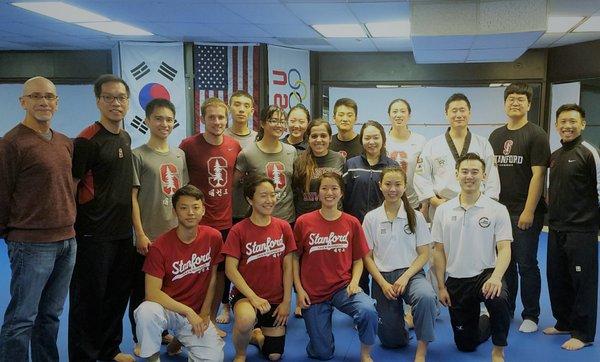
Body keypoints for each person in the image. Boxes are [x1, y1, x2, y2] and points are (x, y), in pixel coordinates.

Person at [0, 76, 77, 362]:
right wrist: (12, 235)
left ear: (57, 103)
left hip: (67, 241)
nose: (43, 102)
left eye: (49, 97)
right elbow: (2, 192)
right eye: (35, 96)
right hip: (31, 244)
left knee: (50, 316)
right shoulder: (11, 143)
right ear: (23, 102)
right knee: (22, 318)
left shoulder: (64, 142)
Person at [69, 74, 136, 362]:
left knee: (116, 297)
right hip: (93, 235)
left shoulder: (125, 135)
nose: (115, 103)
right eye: (108, 97)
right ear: (98, 101)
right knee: (88, 301)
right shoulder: (86, 140)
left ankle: (109, 349)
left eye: (120, 97)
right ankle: (84, 355)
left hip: (122, 233)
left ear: (127, 102)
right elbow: (71, 186)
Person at [432, 153, 512, 362]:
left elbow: (504, 249)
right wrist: (441, 286)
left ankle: (498, 350)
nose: (470, 176)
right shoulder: (443, 210)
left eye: (475, 172)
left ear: (484, 175)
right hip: (457, 279)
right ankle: (484, 319)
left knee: (500, 297)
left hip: (485, 274)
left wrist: (496, 277)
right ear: (456, 174)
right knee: (466, 345)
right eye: (465, 172)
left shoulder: (497, 209)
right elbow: (438, 251)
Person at [134, 184, 224, 362]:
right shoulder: (160, 246)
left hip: (195, 313)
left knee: (213, 359)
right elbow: (151, 293)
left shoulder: (214, 237)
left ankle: (179, 340)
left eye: (195, 207)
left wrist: (205, 313)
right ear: (175, 211)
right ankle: (153, 358)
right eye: (183, 208)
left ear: (203, 210)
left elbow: (214, 278)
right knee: (146, 312)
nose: (190, 212)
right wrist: (188, 311)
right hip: (167, 309)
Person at [293, 172, 377, 362]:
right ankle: (316, 334)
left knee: (368, 310)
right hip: (313, 292)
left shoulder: (352, 222)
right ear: (318, 193)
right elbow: (294, 259)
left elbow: (358, 260)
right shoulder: (303, 222)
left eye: (334, 188)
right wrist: (299, 290)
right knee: (322, 353)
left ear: (341, 193)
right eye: (324, 188)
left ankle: (365, 354)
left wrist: (355, 282)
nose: (329, 192)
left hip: (342, 287)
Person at [130, 98, 189, 356]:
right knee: (142, 289)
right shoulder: (138, 155)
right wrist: (140, 233)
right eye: (158, 118)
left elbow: (184, 195)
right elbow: (132, 197)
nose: (164, 124)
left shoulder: (179, 155)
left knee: (169, 286)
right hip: (150, 236)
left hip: (174, 234)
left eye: (168, 119)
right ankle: (141, 336)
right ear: (147, 121)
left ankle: (164, 331)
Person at [488, 83, 550, 333]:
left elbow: (539, 175)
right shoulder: (496, 136)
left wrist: (529, 211)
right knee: (505, 262)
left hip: (524, 212)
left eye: (520, 99)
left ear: (529, 105)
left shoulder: (536, 134)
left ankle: (531, 314)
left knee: (526, 263)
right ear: (505, 104)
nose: (515, 103)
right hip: (499, 211)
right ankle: (508, 308)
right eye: (511, 99)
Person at [180, 97, 241, 337]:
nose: (217, 121)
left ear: (226, 119)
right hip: (196, 222)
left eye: (220, 117)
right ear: (202, 118)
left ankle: (212, 319)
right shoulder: (188, 145)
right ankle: (187, 320)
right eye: (211, 117)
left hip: (225, 222)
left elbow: (233, 179)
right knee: (195, 274)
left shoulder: (234, 146)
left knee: (220, 273)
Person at [362, 166, 437, 362]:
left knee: (427, 297)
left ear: (405, 187)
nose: (392, 189)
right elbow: (367, 257)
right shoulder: (371, 218)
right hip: (383, 278)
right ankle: (402, 324)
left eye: (397, 184)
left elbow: (424, 254)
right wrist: (383, 283)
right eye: (388, 184)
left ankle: (421, 350)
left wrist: (405, 276)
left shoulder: (416, 216)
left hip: (411, 275)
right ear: (380, 186)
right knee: (391, 341)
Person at [543, 103, 599, 351]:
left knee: (582, 282)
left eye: (572, 121)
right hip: (556, 228)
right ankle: (564, 322)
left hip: (582, 230)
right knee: (558, 278)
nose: (567, 126)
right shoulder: (555, 156)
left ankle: (584, 333)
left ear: (582, 124)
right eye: (563, 122)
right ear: (556, 125)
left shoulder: (589, 153)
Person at [223, 175, 296, 361]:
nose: (270, 200)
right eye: (263, 195)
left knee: (274, 355)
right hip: (246, 296)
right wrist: (253, 297)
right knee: (246, 319)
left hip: (275, 297)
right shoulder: (238, 230)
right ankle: (240, 353)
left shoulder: (284, 227)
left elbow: (288, 266)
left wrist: (287, 301)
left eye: (273, 195)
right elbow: (230, 269)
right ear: (250, 199)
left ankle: (257, 336)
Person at [414, 93, 500, 219]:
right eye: (454, 111)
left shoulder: (482, 143)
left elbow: (492, 177)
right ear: (446, 114)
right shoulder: (433, 144)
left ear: (469, 113)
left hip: (477, 207)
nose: (458, 115)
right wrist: (433, 200)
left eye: (462, 110)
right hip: (442, 205)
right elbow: (421, 177)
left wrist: (487, 204)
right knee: (442, 239)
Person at [343, 120, 398, 294]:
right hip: (355, 228)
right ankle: (362, 312)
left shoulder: (392, 166)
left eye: (376, 137)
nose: (371, 142)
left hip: (382, 229)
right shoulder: (351, 165)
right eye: (367, 138)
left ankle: (386, 306)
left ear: (383, 139)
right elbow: (343, 196)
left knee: (383, 269)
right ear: (361, 140)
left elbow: (397, 198)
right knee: (358, 274)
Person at [235, 105, 297, 223]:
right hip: (259, 219)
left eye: (282, 122)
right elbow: (235, 185)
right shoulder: (248, 153)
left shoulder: (291, 151)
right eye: (273, 121)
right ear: (263, 123)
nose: (278, 125)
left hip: (287, 219)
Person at [292, 118, 345, 217]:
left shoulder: (340, 159)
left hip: (334, 217)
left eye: (323, 136)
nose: (318, 140)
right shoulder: (299, 161)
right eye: (314, 136)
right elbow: (294, 194)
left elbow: (344, 190)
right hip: (307, 219)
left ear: (330, 138)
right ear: (308, 139)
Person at [385, 98, 427, 211]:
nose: (398, 115)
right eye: (394, 111)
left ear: (409, 115)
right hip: (387, 201)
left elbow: (425, 174)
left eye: (403, 111)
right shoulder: (383, 140)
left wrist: (425, 204)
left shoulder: (420, 140)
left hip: (414, 202)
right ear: (389, 115)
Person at [225, 90, 257, 225]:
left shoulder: (258, 138)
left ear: (252, 111)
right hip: (226, 209)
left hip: (253, 209)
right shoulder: (221, 137)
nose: (241, 110)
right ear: (229, 108)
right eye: (237, 104)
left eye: (246, 106)